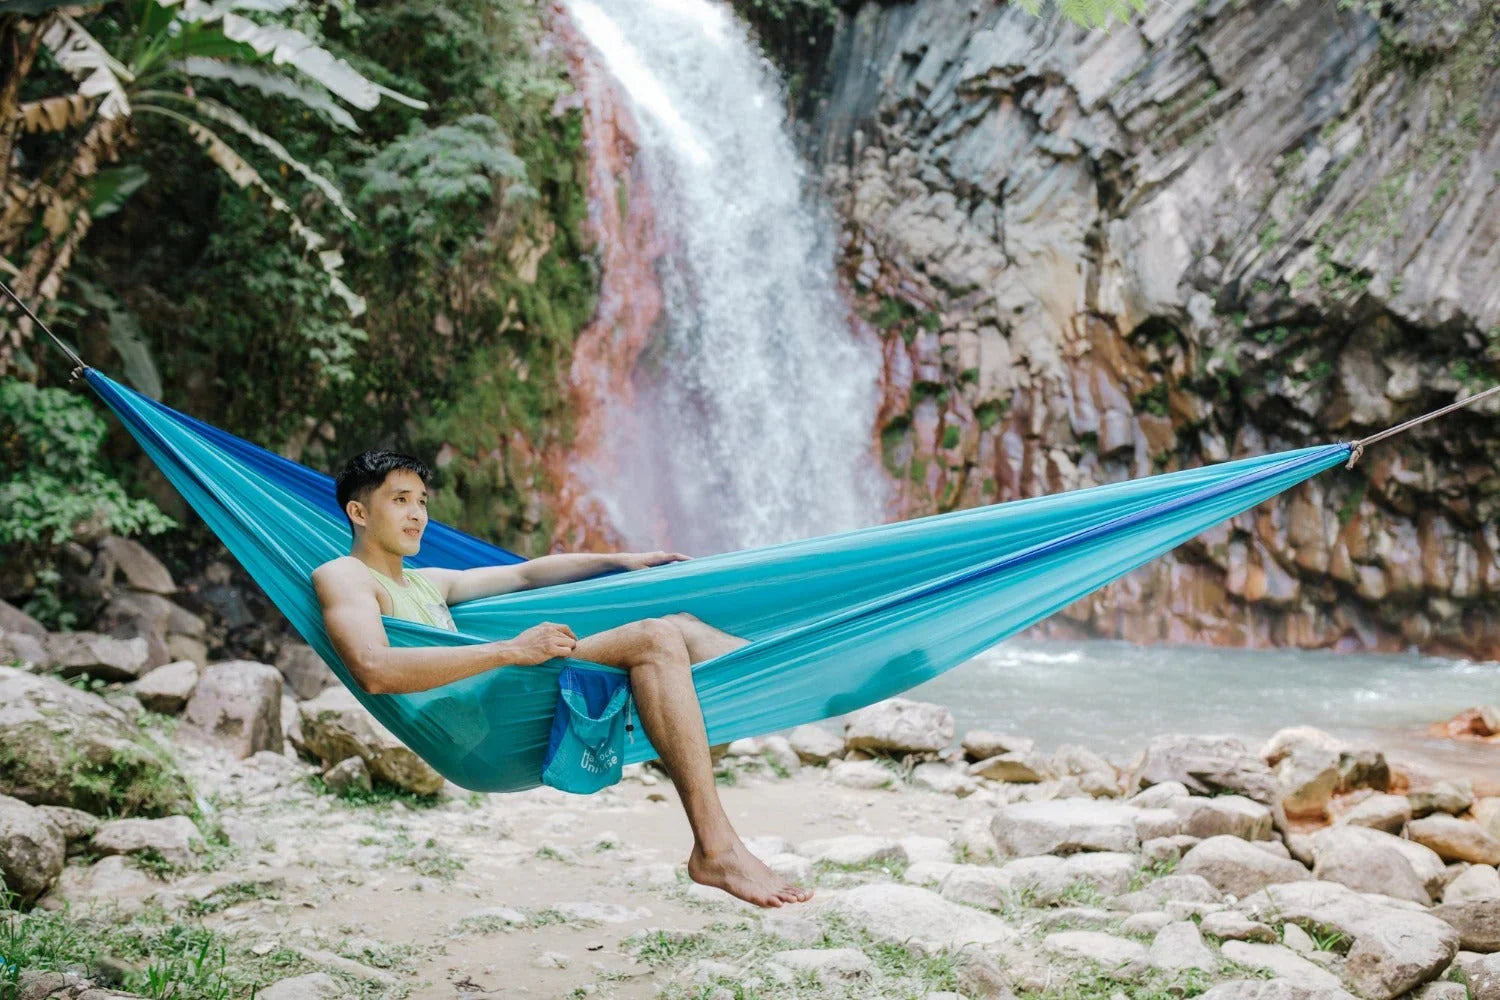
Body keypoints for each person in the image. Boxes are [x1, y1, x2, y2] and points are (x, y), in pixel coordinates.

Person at [311, 449, 812, 908]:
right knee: (656, 638)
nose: (417, 514)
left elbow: (527, 575)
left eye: (421, 501)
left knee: (680, 628)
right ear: (358, 512)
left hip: (501, 711)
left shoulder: (427, 582)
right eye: (400, 501)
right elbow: (373, 669)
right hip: (475, 735)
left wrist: (622, 561)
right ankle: (715, 849)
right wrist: (511, 650)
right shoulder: (343, 575)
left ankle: (817, 673)